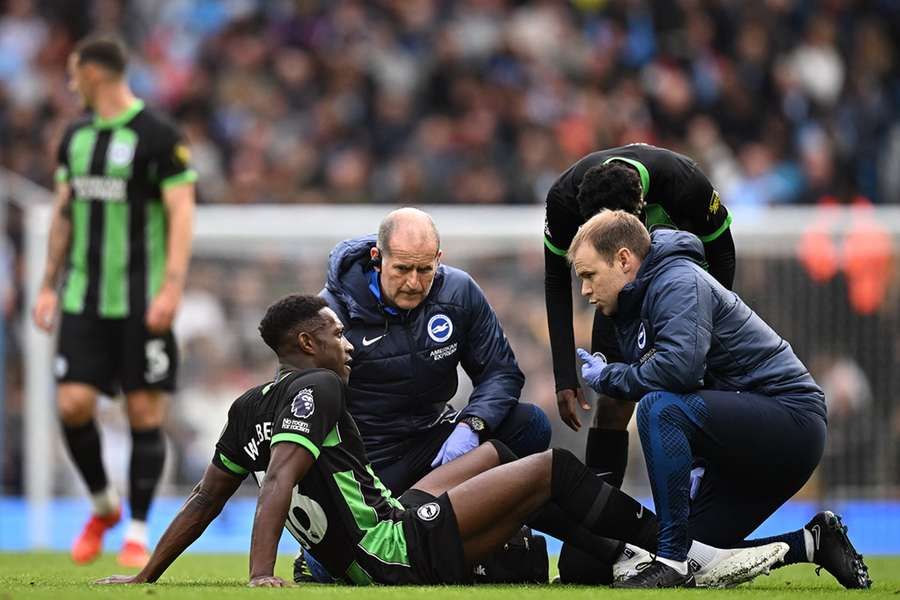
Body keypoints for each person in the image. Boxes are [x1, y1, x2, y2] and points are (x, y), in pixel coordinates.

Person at [94, 294, 789, 588]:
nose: (347, 344)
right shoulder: (323, 389)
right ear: (305, 343)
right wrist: (258, 573)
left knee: (499, 453)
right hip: (390, 547)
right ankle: (666, 558)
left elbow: (205, 497)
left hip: (378, 530)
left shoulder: (250, 405)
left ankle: (601, 556)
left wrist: (147, 575)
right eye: (335, 333)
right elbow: (279, 479)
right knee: (549, 468)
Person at [569, 210, 871, 589]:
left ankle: (670, 562)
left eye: (589, 275)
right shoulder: (636, 303)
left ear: (624, 259)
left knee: (658, 409)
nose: (584, 290)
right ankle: (812, 543)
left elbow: (679, 371)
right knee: (701, 552)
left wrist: (611, 376)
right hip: (746, 439)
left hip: (792, 419)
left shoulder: (676, 281)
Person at [31, 35, 196, 567]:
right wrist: (47, 285)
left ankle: (139, 531)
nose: (70, 83)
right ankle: (103, 506)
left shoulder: (158, 134)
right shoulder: (74, 136)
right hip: (83, 299)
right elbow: (62, 214)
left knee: (144, 411)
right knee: (72, 404)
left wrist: (171, 286)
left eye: (74, 73)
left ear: (94, 73)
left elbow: (182, 212)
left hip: (141, 301)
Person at [544, 143, 736, 492]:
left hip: (678, 293)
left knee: (687, 391)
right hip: (619, 294)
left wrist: (711, 333)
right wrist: (564, 374)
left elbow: (722, 251)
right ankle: (600, 524)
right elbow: (557, 278)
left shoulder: (685, 184)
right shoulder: (562, 198)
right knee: (613, 401)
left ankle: (702, 495)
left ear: (640, 207)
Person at [320, 207, 550, 493]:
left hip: (437, 441)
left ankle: (436, 512)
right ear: (377, 260)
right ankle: (433, 511)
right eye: (402, 269)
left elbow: (501, 373)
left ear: (438, 260)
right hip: (372, 463)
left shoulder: (458, 292)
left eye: (425, 269)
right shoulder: (330, 315)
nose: (414, 282)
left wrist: (472, 425)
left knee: (532, 424)